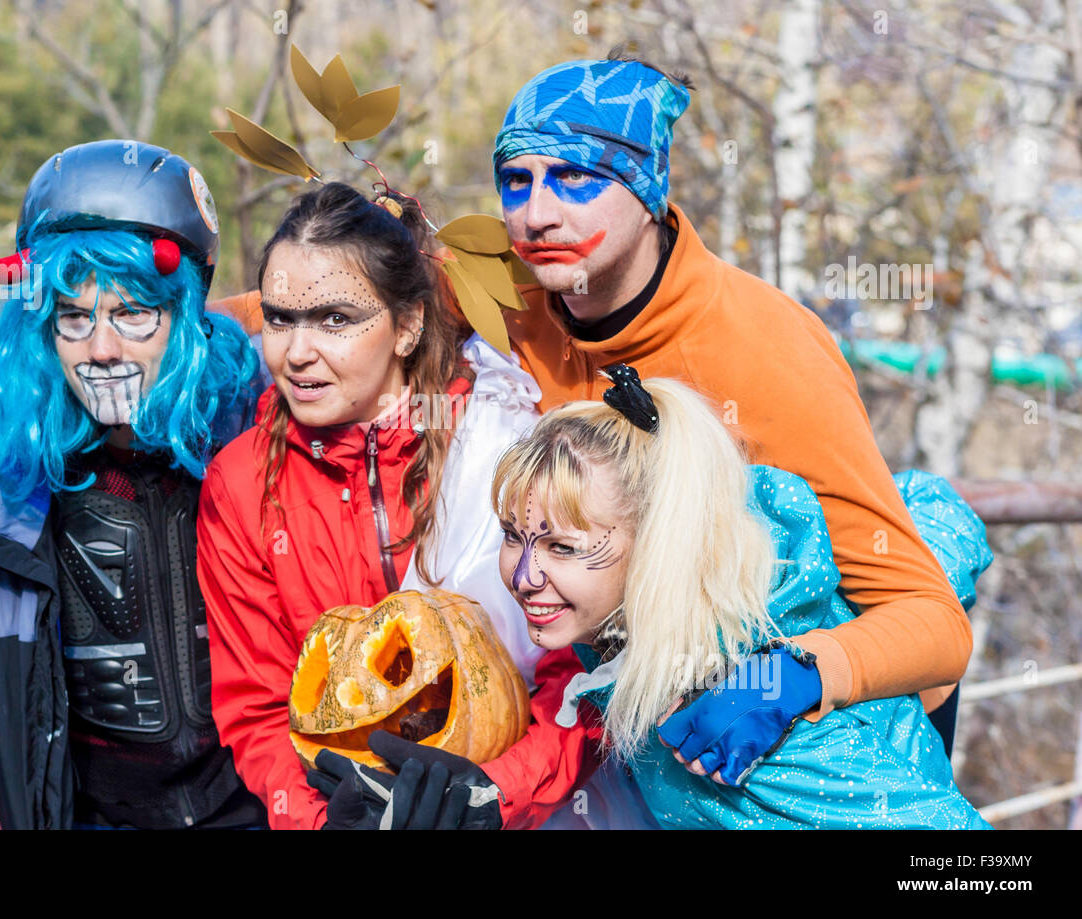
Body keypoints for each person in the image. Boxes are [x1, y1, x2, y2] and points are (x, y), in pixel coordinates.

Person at [215, 50, 974, 789]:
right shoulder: (513, 285)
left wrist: (794, 678)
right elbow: (329, 297)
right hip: (624, 719)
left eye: (577, 178)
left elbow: (933, 623)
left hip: (811, 737)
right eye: (517, 181)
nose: (538, 213)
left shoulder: (769, 351)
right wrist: (165, 318)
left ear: (648, 191)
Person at [0, 139, 267, 829]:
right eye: (73, 317)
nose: (102, 347)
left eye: (133, 312)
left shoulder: (267, 417)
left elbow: (376, 307)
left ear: (189, 317)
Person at [195, 181, 603, 830]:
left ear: (408, 323)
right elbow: (259, 704)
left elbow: (585, 670)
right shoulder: (242, 481)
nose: (297, 352)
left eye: (336, 319)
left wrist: (494, 796)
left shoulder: (508, 442)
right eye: (279, 318)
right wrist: (321, 822)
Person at [487, 365, 993, 829]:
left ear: (657, 546)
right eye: (512, 536)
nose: (525, 576)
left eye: (563, 547)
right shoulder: (617, 634)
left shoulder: (748, 716)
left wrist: (818, 674)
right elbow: (923, 501)